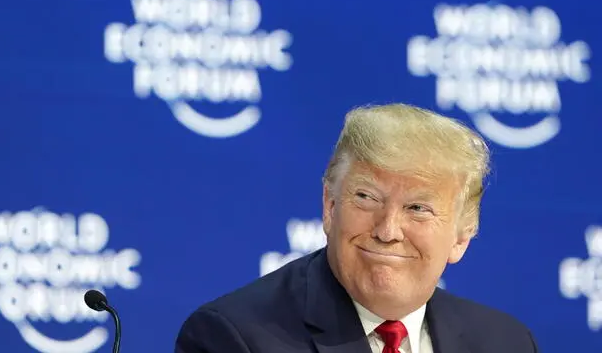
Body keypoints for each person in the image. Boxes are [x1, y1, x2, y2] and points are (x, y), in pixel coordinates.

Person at [175, 103, 539, 353]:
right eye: (366, 198)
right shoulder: (235, 337)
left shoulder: (506, 342)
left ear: (462, 236)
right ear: (330, 206)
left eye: (417, 208)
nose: (387, 229)